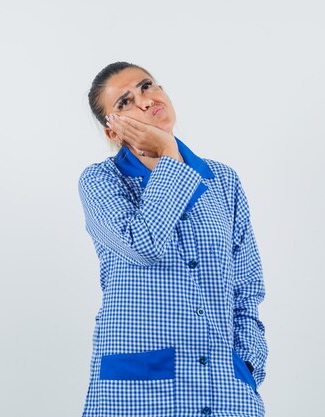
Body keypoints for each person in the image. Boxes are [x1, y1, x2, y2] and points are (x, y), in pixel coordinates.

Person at [77, 61, 268, 417]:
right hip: (138, 393)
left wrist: (247, 366)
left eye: (147, 86)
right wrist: (169, 154)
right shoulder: (100, 182)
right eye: (125, 102)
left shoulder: (222, 181)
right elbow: (143, 245)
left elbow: (246, 288)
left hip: (224, 389)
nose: (146, 101)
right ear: (113, 132)